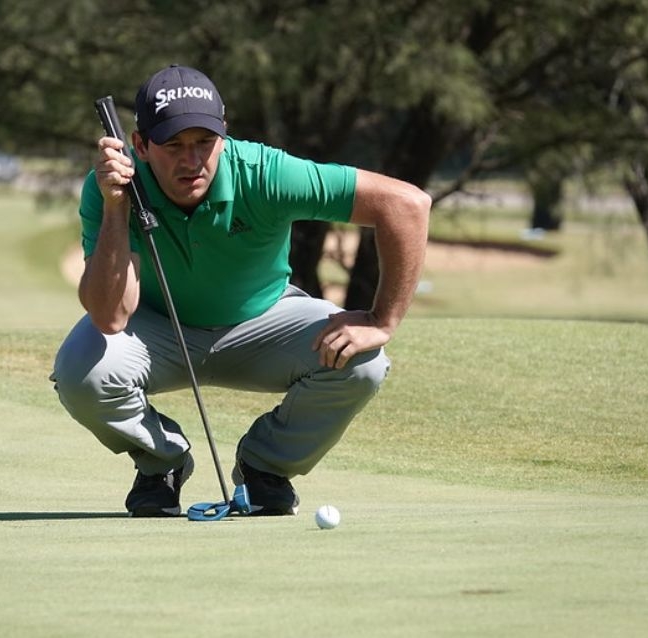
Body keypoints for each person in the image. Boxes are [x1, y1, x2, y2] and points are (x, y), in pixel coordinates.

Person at [50, 65, 430, 517]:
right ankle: (162, 463)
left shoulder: (264, 172)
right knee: (81, 372)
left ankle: (265, 468)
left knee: (363, 363)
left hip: (264, 322)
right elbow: (111, 316)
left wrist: (382, 320)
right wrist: (117, 208)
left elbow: (406, 205)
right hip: (157, 329)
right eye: (173, 145)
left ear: (224, 136)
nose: (192, 160)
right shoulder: (112, 186)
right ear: (140, 146)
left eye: (204, 142)